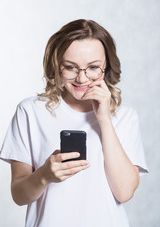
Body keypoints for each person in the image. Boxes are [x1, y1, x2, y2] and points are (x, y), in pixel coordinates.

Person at [0, 19, 148, 227]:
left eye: (93, 67)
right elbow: (18, 195)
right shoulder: (30, 111)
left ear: (106, 66)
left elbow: (124, 193)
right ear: (57, 66)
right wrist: (44, 175)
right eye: (70, 67)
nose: (81, 78)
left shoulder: (125, 116)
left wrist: (104, 119)